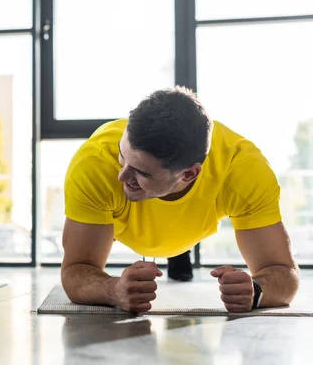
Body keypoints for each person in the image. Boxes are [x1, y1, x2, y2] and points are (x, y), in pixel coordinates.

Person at [61, 86, 300, 313]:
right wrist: (112, 290)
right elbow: (75, 271)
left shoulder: (244, 171)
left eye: (141, 172)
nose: (122, 175)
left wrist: (257, 291)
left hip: (194, 216)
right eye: (123, 156)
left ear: (189, 173)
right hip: (120, 218)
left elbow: (283, 272)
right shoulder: (95, 165)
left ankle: (179, 252)